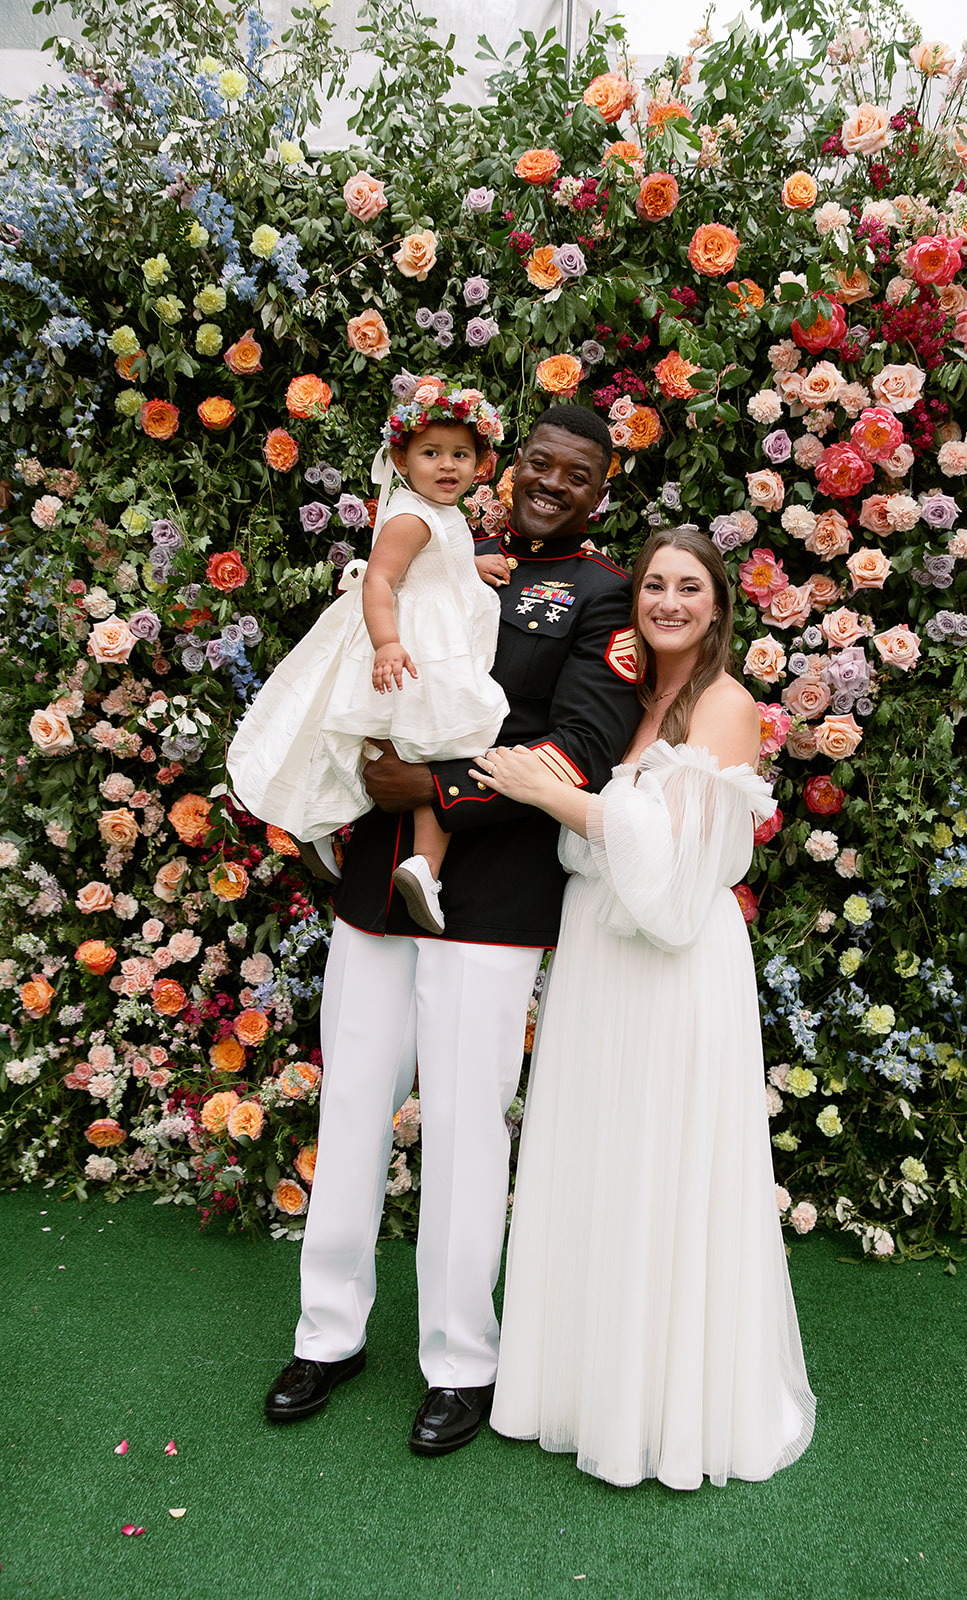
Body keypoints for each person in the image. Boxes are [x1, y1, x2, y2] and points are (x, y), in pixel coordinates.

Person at [263, 405, 645, 1456]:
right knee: (351, 1106)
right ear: (507, 468)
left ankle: (459, 1359)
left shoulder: (603, 596)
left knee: (469, 1127)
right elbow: (360, 663)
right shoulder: (443, 546)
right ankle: (327, 1334)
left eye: (576, 474)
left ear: (600, 490)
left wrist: (431, 786)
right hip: (379, 883)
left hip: (491, 897)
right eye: (538, 464)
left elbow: (578, 751)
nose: (551, 484)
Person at [476, 526, 817, 1490]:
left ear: (717, 607)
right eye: (654, 584)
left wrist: (547, 793)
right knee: (597, 1157)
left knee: (661, 1165)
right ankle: (580, 1391)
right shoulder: (629, 695)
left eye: (689, 587)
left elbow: (668, 874)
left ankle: (663, 1415)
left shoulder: (724, 705)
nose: (668, 601)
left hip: (673, 968)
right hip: (597, 955)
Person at [227, 378, 510, 934]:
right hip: (413, 648)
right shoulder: (411, 518)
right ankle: (417, 864)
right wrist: (388, 644)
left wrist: (468, 566)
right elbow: (380, 578)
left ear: (481, 463)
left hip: (422, 644)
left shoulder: (435, 511)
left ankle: (347, 837)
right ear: (402, 459)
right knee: (442, 745)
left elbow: (434, 560)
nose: (447, 465)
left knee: (410, 746)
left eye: (461, 455)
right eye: (431, 453)